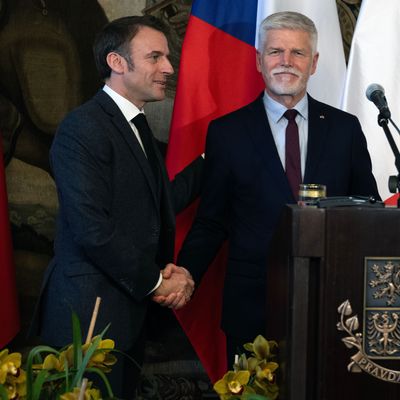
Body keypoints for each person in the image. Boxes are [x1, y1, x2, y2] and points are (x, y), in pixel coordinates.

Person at [177, 11, 380, 368]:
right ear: (259, 60)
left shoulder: (345, 129)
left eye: (298, 53)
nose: (286, 62)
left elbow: (369, 211)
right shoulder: (227, 133)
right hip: (251, 307)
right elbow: (212, 221)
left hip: (333, 306)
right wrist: (186, 275)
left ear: (314, 63)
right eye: (275, 52)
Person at [33, 15, 203, 399]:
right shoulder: (84, 127)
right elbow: (92, 229)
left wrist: (213, 159)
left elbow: (157, 204)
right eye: (155, 57)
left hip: (125, 316)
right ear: (117, 62)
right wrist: (159, 281)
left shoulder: (136, 125)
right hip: (88, 317)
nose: (169, 68)